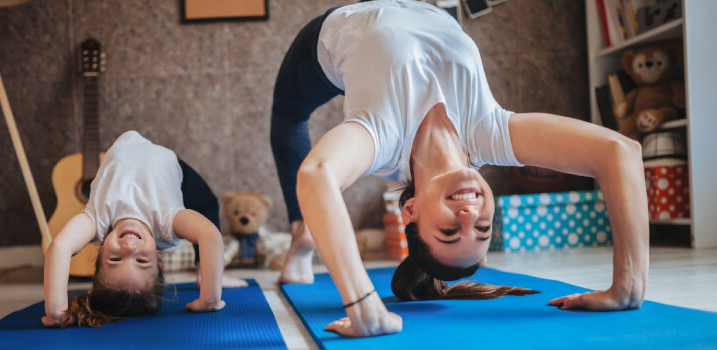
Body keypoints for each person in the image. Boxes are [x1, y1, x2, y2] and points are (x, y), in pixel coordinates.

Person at [270, 0, 649, 337]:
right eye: (483, 227)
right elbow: (620, 152)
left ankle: (304, 232)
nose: (469, 215)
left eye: (450, 230)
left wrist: (364, 305)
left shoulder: (382, 140)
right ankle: (310, 230)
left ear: (411, 210)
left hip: (338, 28)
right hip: (424, 8)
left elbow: (316, 173)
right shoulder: (491, 133)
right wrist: (627, 287)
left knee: (288, 119)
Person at [43, 130, 248, 328]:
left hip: (122, 147)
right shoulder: (168, 223)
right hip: (165, 161)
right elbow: (209, 234)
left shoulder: (97, 222)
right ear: (159, 259)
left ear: (98, 256)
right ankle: (205, 272)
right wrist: (210, 297)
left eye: (115, 260)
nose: (129, 249)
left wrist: (56, 312)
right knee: (207, 204)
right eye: (141, 261)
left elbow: (60, 247)